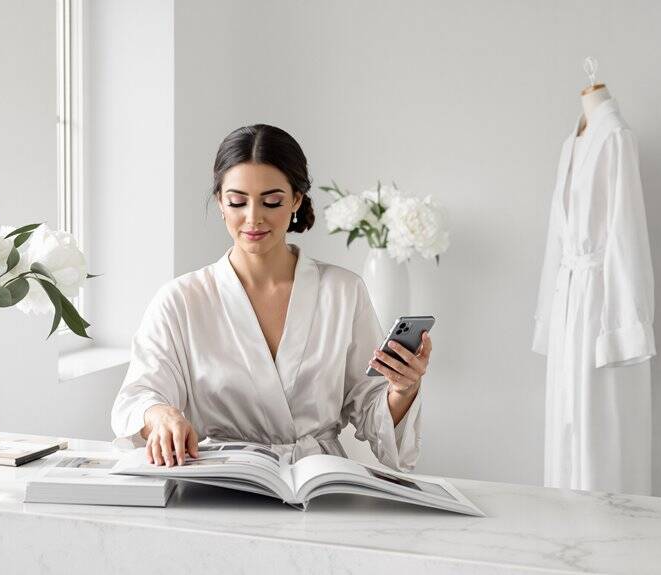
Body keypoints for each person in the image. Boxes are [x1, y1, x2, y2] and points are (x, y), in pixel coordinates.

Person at [110, 124, 430, 471]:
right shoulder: (181, 300)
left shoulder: (343, 291)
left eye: (272, 201)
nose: (253, 218)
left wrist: (403, 388)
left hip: (316, 480)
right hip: (222, 479)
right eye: (236, 201)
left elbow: (371, 409)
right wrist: (160, 414)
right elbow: (136, 397)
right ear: (220, 201)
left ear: (296, 199)